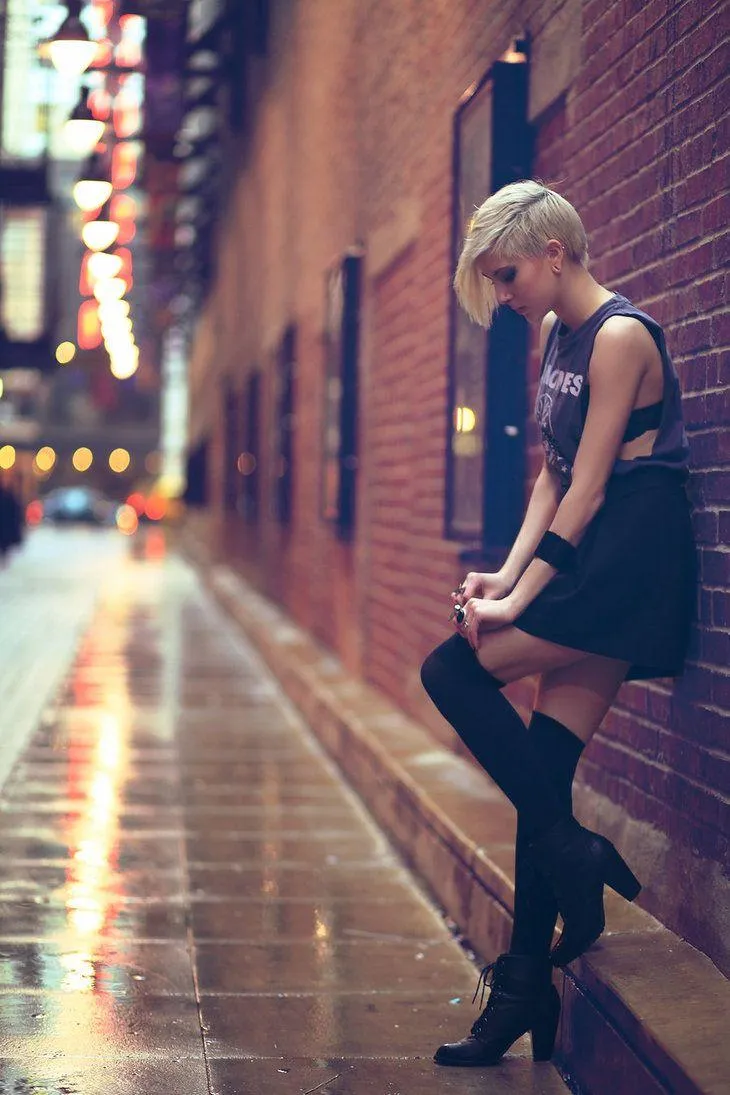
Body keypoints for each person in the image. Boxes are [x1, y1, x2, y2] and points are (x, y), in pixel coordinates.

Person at [420, 180, 695, 1068]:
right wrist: (503, 571)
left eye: (507, 276)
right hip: (590, 552)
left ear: (554, 252)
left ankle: (575, 856)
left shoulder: (620, 336)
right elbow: (551, 471)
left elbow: (593, 485)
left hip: (629, 560)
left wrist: (517, 601)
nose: (504, 296)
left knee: (452, 670)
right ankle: (524, 983)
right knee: (541, 774)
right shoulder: (556, 335)